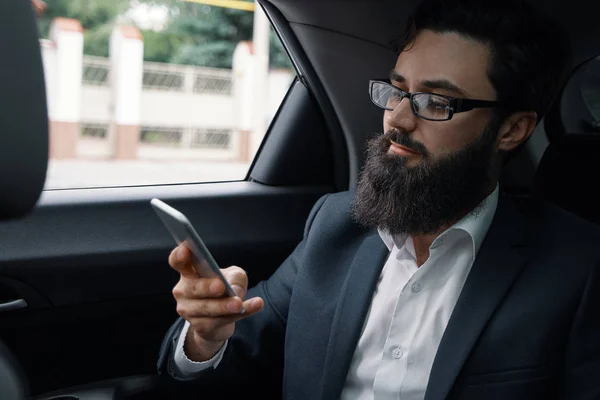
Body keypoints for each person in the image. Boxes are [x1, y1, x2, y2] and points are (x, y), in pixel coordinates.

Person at [158, 0, 600, 398]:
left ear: (512, 130)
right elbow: (235, 356)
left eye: (436, 101)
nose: (398, 119)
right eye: (397, 90)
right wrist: (205, 336)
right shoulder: (335, 225)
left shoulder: (578, 267)